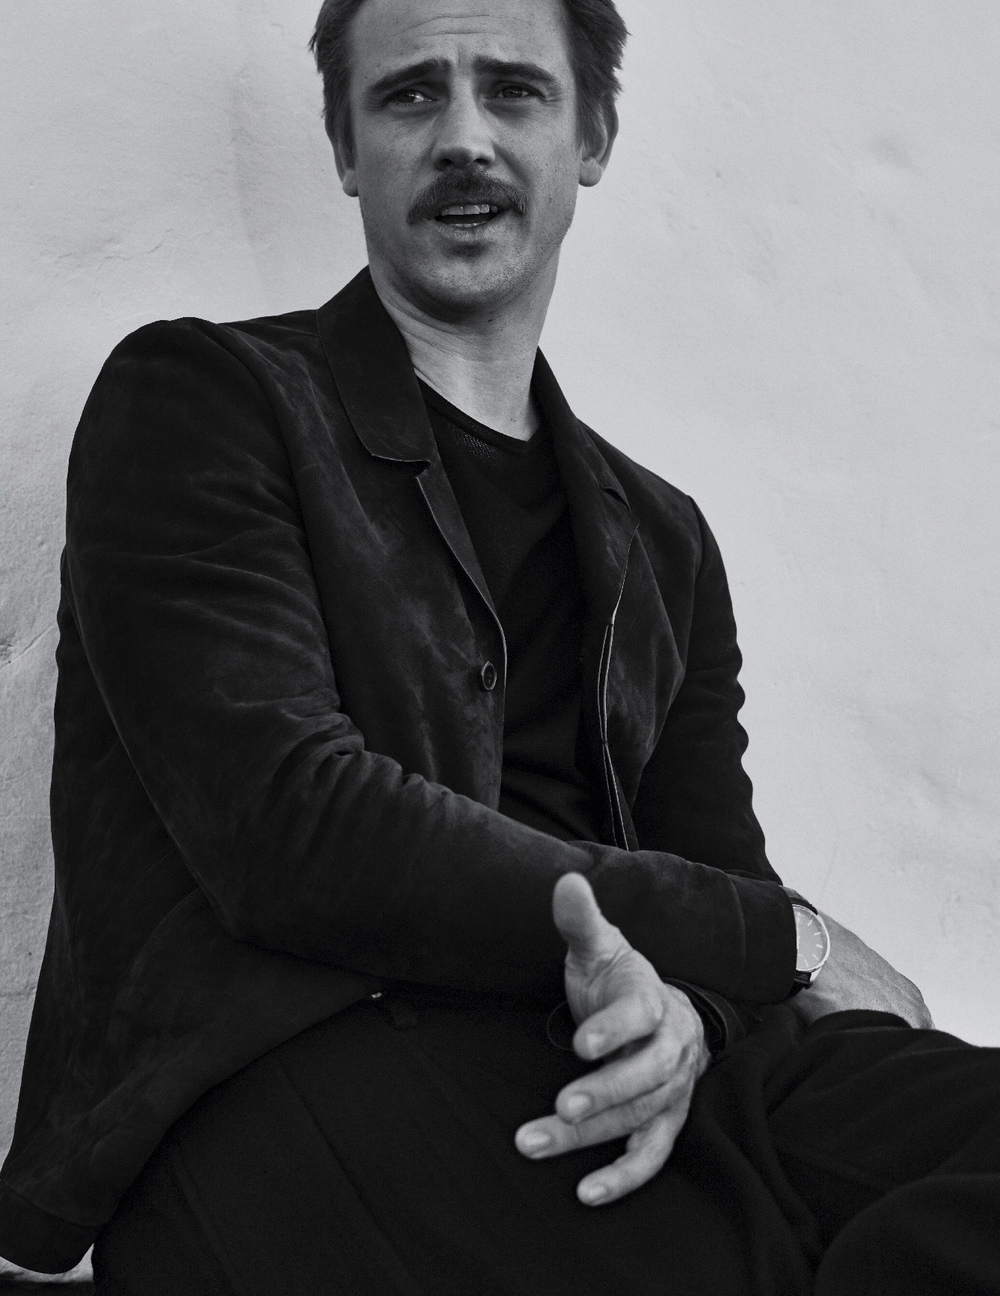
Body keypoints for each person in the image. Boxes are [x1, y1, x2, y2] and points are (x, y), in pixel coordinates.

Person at [0, 0, 997, 1291]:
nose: (464, 136)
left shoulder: (663, 538)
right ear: (347, 148)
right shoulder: (204, 401)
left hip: (616, 1052)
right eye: (411, 94)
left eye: (515, 91)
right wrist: (780, 940)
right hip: (300, 1068)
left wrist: (685, 1016)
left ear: (593, 138)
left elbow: (708, 861)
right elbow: (293, 832)